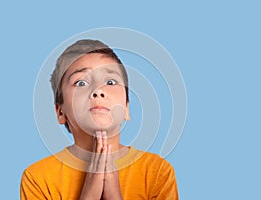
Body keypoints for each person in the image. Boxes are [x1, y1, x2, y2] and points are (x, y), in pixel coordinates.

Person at [20, 39, 179, 199]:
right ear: (60, 112)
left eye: (110, 82)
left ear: (126, 108)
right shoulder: (38, 178)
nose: (98, 91)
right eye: (81, 82)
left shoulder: (157, 172)